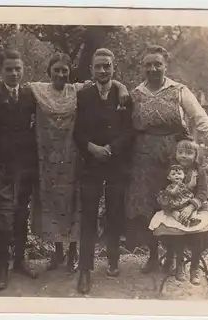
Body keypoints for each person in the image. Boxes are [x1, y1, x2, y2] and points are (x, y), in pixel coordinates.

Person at [0, 52, 130, 273]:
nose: (61, 74)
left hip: (72, 155)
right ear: (49, 72)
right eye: (57, 70)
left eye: (64, 70)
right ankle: (57, 251)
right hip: (47, 158)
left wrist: (122, 87)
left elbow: (106, 80)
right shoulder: (38, 90)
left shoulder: (77, 90)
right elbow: (10, 83)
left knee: (73, 203)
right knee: (53, 203)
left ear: (69, 72)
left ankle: (73, 253)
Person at [124, 44, 208, 275]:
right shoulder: (135, 94)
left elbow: (201, 120)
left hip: (175, 160)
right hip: (143, 159)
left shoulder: (179, 90)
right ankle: (153, 256)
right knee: (148, 207)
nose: (153, 68)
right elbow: (125, 127)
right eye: (148, 65)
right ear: (142, 68)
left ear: (166, 66)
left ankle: (176, 258)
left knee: (178, 203)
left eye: (158, 64)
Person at [0, 49, 39, 290]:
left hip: (25, 167)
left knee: (21, 216)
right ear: (0, 72)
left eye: (17, 69)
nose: (13, 73)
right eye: (8, 69)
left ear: (23, 70)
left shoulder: (29, 94)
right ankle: (3, 266)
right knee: (3, 221)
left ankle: (19, 261)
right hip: (0, 169)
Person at [73, 48, 135, 294]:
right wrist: (91, 148)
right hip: (91, 163)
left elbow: (130, 131)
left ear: (113, 68)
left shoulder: (124, 96)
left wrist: (111, 148)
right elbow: (76, 130)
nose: (102, 70)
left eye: (107, 66)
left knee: (114, 212)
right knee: (88, 215)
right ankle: (85, 270)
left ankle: (112, 260)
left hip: (115, 162)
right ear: (92, 69)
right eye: (98, 66)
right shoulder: (83, 95)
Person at [148, 138, 208, 285]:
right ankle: (180, 264)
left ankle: (194, 267)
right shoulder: (170, 172)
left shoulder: (198, 172)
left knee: (198, 233)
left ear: (196, 156)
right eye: (180, 152)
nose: (183, 156)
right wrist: (173, 209)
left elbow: (202, 192)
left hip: (196, 208)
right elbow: (163, 193)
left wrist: (191, 206)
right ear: (175, 154)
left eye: (188, 153)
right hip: (175, 208)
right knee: (178, 232)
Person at [156, 163, 201, 228]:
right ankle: (183, 221)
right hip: (175, 205)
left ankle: (193, 219)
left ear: (184, 175)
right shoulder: (170, 187)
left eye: (179, 174)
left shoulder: (183, 185)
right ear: (169, 177)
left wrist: (194, 177)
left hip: (185, 203)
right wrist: (178, 185)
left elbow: (191, 185)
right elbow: (173, 193)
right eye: (173, 174)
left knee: (193, 210)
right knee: (174, 213)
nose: (177, 175)